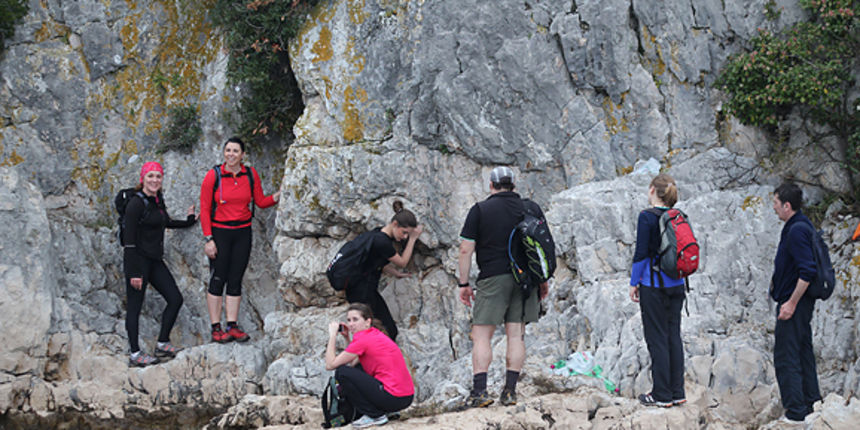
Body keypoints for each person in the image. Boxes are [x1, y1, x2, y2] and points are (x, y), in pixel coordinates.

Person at [457, 166, 549, 408]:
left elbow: (465, 249)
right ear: (513, 185)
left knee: (481, 336)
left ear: (491, 185)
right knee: (516, 335)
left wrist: (464, 283)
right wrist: (543, 280)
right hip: (526, 280)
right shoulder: (530, 208)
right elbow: (542, 246)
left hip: (492, 279)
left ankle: (480, 392)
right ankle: (509, 392)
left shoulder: (480, 210)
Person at [199, 137, 280, 343]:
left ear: (243, 155)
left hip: (243, 232)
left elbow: (260, 202)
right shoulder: (213, 176)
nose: (231, 154)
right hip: (220, 233)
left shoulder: (250, 174)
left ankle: (232, 325)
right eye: (228, 150)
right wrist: (208, 239)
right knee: (218, 279)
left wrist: (279, 195)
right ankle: (216, 327)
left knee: (235, 279)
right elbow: (205, 209)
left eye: (235, 151)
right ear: (224, 153)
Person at [123, 161, 196, 366]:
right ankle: (135, 354)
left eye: (158, 176)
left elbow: (165, 222)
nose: (155, 180)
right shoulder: (136, 204)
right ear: (143, 179)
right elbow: (128, 242)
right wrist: (134, 272)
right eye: (150, 176)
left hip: (155, 261)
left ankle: (163, 342)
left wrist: (189, 220)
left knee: (175, 298)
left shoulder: (157, 200)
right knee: (135, 308)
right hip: (137, 262)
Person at [628, 173, 686, 407]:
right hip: (678, 285)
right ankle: (677, 391)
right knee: (673, 336)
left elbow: (641, 254)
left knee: (657, 338)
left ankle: (661, 394)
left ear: (652, 189)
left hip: (654, 286)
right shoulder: (677, 215)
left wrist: (634, 283)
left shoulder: (647, 217)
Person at [770, 182, 821, 422]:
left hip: (795, 303)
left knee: (786, 355)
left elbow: (807, 272)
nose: (774, 208)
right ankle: (811, 404)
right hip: (798, 302)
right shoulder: (799, 225)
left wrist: (790, 303)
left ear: (787, 205)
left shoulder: (797, 230)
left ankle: (796, 412)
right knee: (802, 352)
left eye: (776, 203)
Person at [325, 303, 414, 428]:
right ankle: (386, 411)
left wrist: (332, 335)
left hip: (393, 397)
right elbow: (354, 362)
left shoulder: (363, 340)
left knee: (342, 372)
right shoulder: (374, 334)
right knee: (356, 369)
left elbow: (330, 364)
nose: (351, 324)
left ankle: (375, 415)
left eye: (355, 320)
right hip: (405, 398)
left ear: (368, 322)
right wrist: (347, 338)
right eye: (349, 320)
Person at [345, 200, 422, 342]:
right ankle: (365, 362)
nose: (404, 237)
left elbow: (376, 262)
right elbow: (403, 261)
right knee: (380, 332)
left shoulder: (376, 234)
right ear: (395, 224)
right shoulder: (383, 243)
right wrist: (412, 239)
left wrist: (396, 273)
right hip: (363, 293)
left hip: (360, 291)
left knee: (385, 331)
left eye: (407, 234)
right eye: (404, 232)